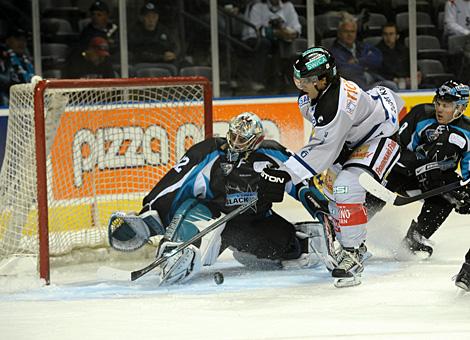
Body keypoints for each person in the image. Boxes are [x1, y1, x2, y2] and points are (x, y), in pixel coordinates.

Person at [108, 112, 328, 285]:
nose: (234, 142)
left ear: (257, 140)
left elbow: (303, 182)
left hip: (253, 222)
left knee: (292, 248)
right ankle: (176, 250)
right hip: (214, 218)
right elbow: (172, 185)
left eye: (242, 139)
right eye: (232, 136)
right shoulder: (208, 152)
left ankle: (303, 238)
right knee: (190, 207)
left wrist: (322, 208)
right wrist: (147, 216)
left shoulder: (273, 154)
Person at [284, 46, 404, 285]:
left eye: (305, 81)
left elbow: (323, 149)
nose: (301, 86)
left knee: (346, 187)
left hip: (379, 137)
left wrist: (285, 174)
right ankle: (351, 236)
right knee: (331, 194)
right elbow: (323, 138)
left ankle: (353, 251)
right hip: (351, 140)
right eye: (298, 80)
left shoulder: (336, 102)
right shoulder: (312, 97)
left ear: (323, 79)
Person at [378, 81, 470, 257]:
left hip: (435, 183)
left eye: (446, 105)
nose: (440, 109)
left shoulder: (468, 132)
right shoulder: (421, 114)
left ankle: (415, 238)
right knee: (393, 176)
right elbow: (396, 147)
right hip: (405, 175)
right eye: (438, 103)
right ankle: (355, 222)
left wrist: (465, 195)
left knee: (451, 192)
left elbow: (468, 173)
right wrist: (421, 165)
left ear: (461, 108)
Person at [241, 0, 302, 92]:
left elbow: (297, 28)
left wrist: (290, 33)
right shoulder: (258, 7)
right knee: (265, 44)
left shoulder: (288, 6)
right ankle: (257, 80)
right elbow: (253, 31)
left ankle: (290, 81)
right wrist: (274, 33)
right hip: (255, 39)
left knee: (289, 45)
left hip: (279, 40)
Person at [329, 12, 384, 90]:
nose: (350, 35)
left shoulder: (362, 46)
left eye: (352, 31)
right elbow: (345, 71)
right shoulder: (334, 52)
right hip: (351, 89)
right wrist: (366, 66)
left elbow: (378, 59)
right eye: (346, 31)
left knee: (390, 86)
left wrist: (358, 61)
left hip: (371, 82)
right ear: (339, 33)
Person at [129, 1, 179, 66]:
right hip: (144, 65)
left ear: (158, 17)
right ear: (141, 18)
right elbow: (138, 54)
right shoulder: (135, 32)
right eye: (148, 16)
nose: (151, 20)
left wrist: (173, 54)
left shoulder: (163, 30)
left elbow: (174, 46)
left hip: (165, 63)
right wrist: (161, 58)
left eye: (154, 16)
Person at [0, 27, 34, 106]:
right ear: (8, 41)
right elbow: (5, 81)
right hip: (7, 104)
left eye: (24, 40)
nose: (21, 43)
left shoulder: (27, 60)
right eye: (18, 39)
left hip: (26, 102)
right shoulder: (3, 58)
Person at [376, 22, 413, 90]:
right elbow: (377, 72)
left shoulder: (404, 50)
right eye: (385, 34)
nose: (388, 37)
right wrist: (394, 79)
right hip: (387, 84)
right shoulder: (377, 51)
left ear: (397, 36)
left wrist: (416, 74)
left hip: (406, 82)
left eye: (391, 34)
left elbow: (412, 66)